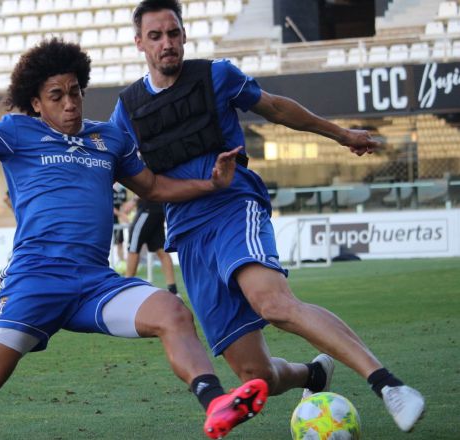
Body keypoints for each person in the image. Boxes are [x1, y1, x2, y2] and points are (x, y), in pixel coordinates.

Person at [0, 38, 267, 440]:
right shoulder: (15, 132)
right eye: (56, 96)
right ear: (36, 103)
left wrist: (212, 185)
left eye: (75, 91)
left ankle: (214, 403)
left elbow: (154, 189)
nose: (70, 104)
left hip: (96, 283)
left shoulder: (108, 138)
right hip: (35, 280)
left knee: (172, 312)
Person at [110, 0, 424, 433]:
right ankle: (313, 375)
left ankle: (388, 385)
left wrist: (343, 134)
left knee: (275, 304)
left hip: (234, 208)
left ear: (184, 35)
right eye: (157, 36)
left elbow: (276, 108)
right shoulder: (126, 109)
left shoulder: (217, 75)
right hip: (187, 235)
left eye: (174, 33)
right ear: (139, 43)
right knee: (257, 377)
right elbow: (121, 169)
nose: (168, 44)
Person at [122, 194, 178, 294]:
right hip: (159, 208)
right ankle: (173, 291)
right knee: (161, 250)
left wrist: (133, 200)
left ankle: (126, 289)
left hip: (147, 208)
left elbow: (145, 180)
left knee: (133, 247)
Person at [111, 182, 129, 270]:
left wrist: (123, 214)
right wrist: (121, 215)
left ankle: (121, 262)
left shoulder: (123, 190)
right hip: (107, 218)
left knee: (120, 241)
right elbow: (109, 205)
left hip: (118, 220)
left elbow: (124, 205)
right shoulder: (108, 188)